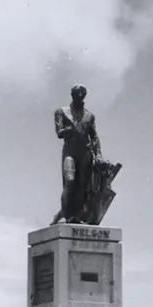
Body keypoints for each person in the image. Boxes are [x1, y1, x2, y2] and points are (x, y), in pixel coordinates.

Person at [51, 85, 101, 225]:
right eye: (76, 94)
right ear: (72, 95)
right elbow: (59, 133)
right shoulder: (62, 112)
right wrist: (71, 129)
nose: (79, 97)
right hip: (70, 152)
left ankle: (76, 216)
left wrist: (99, 155)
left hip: (84, 153)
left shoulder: (89, 116)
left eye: (81, 95)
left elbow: (94, 137)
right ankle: (66, 214)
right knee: (70, 182)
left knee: (82, 186)